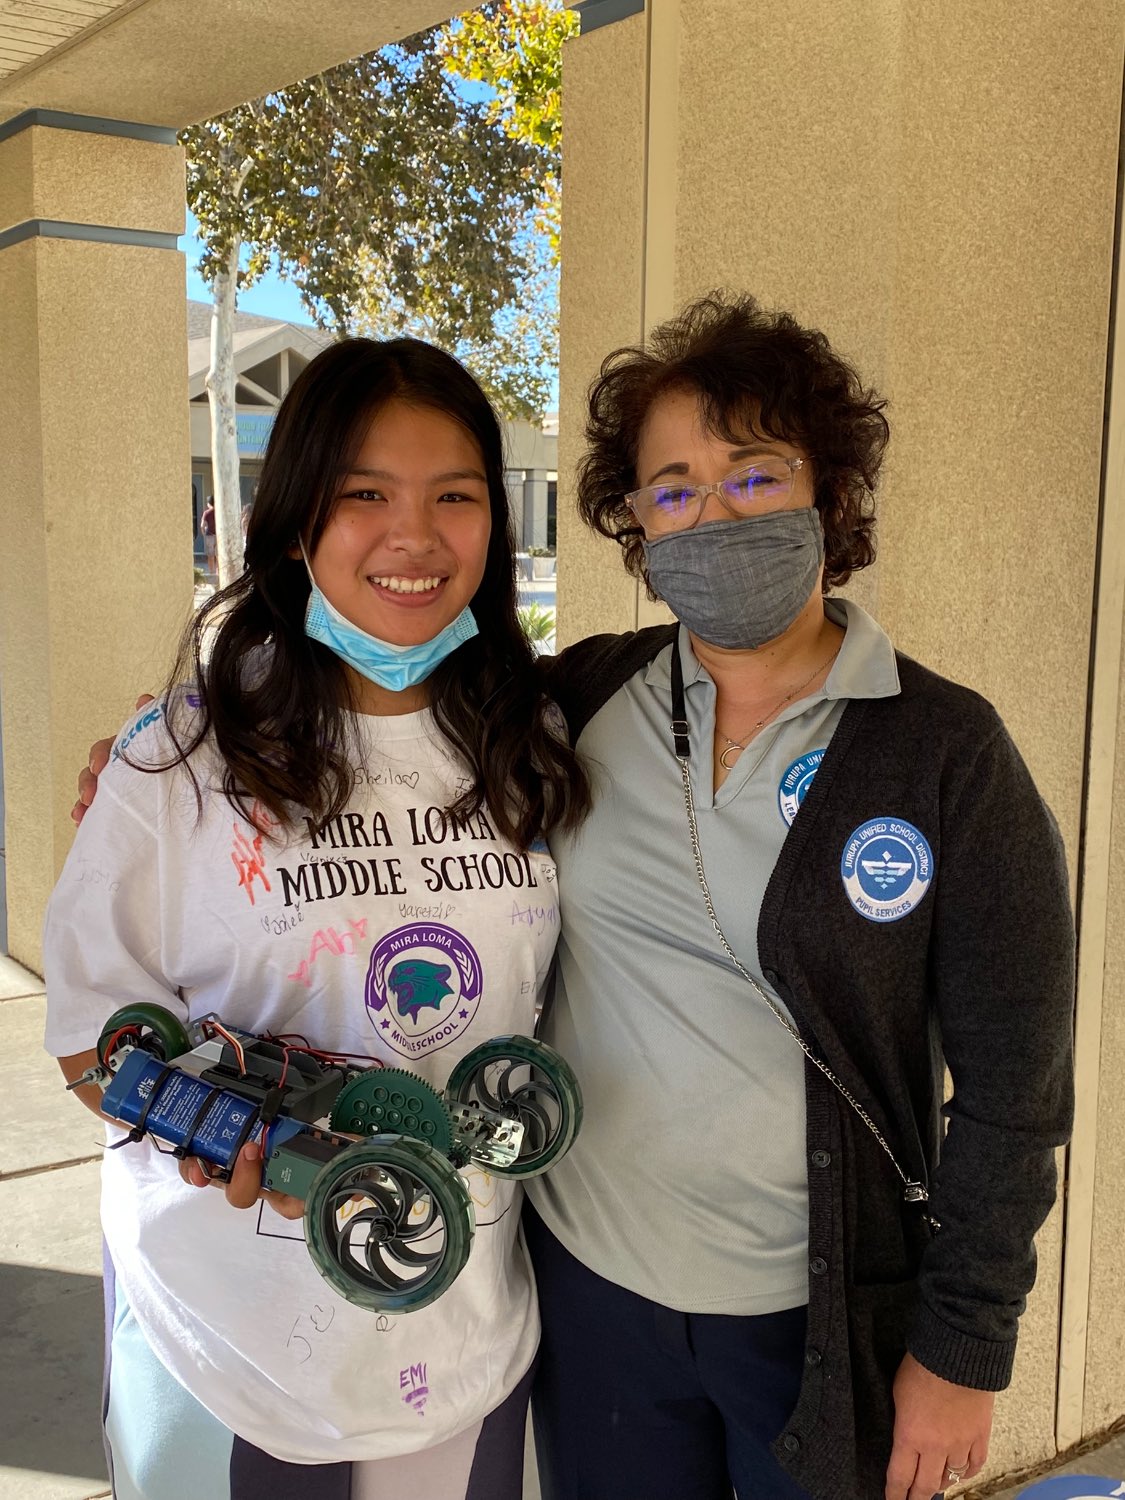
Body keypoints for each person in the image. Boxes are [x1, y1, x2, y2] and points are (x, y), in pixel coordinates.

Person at [73, 295, 1075, 1500]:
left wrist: (964, 1346)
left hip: (816, 1320)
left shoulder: (944, 753)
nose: (715, 514)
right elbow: (370, 728)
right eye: (674, 489)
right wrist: (157, 766)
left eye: (757, 476)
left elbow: (1018, 1090)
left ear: (833, 493)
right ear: (636, 522)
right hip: (588, 1300)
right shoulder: (577, 705)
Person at [46, 337, 588, 1500]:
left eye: (456, 497)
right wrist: (222, 1133)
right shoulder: (179, 760)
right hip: (225, 1345)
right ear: (296, 523)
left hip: (460, 1324)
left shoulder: (535, 746)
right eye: (365, 495)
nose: (415, 536)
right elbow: (93, 1043)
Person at [199, 493, 217, 577]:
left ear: (209, 503)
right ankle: (218, 571)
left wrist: (204, 534)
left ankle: (211, 572)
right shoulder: (218, 512)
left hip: (209, 535)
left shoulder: (206, 513)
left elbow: (202, 525)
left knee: (210, 555)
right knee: (218, 555)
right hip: (218, 535)